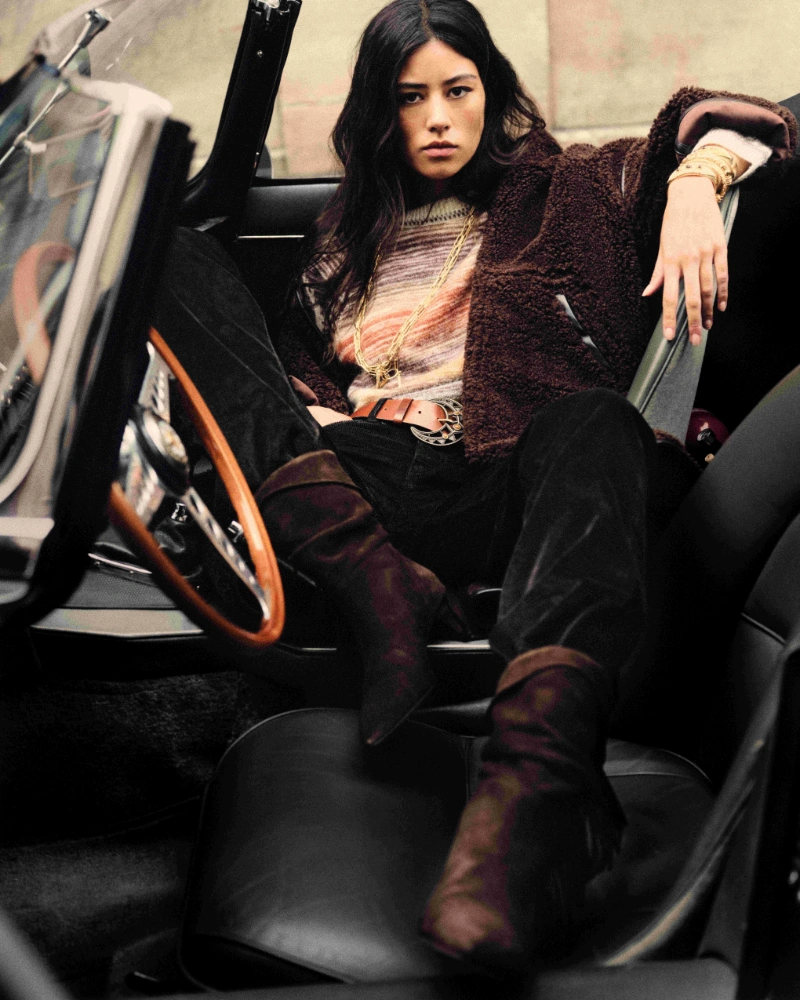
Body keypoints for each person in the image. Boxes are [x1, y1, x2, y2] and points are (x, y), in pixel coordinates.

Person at [154, 0, 798, 973]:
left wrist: (693, 186)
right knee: (164, 253)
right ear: (380, 114)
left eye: (457, 90)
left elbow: (739, 122)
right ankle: (376, 582)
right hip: (364, 484)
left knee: (597, 422)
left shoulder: (576, 189)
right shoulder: (339, 244)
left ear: (490, 93)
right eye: (409, 98)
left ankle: (537, 795)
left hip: (508, 480)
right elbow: (282, 381)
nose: (437, 118)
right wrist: (313, 416)